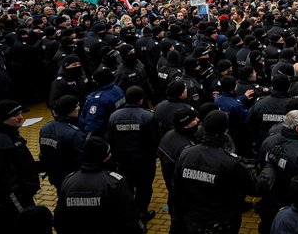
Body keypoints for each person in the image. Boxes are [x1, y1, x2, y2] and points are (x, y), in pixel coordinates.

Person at [174, 110, 262, 234]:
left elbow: (176, 190)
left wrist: (177, 220)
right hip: (222, 223)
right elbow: (256, 188)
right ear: (225, 130)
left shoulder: (186, 154)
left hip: (193, 221)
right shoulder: (230, 162)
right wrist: (269, 167)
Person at [54, 137, 145, 234]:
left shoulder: (68, 182)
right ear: (105, 158)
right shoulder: (115, 183)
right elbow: (130, 219)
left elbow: (59, 221)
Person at [105, 86, 157, 223]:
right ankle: (141, 214)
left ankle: (128, 213)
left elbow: (109, 139)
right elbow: (154, 140)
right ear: (141, 99)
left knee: (126, 186)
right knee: (144, 187)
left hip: (122, 161)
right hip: (143, 162)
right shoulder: (148, 116)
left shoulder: (114, 116)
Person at [0, 99, 40, 230]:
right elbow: (6, 182)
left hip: (25, 194)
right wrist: (21, 207)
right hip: (17, 201)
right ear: (3, 118)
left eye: (20, 113)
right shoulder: (2, 143)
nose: (21, 117)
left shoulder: (11, 133)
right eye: (15, 115)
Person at [157, 108, 199, 234]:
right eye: (194, 119)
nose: (197, 120)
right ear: (186, 125)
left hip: (173, 193)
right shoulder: (186, 148)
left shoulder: (168, 135)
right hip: (185, 199)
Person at [38, 95, 85, 190]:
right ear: (69, 110)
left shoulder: (45, 128)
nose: (79, 108)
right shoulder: (74, 133)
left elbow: (43, 154)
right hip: (73, 179)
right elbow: (81, 159)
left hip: (55, 177)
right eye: (76, 106)